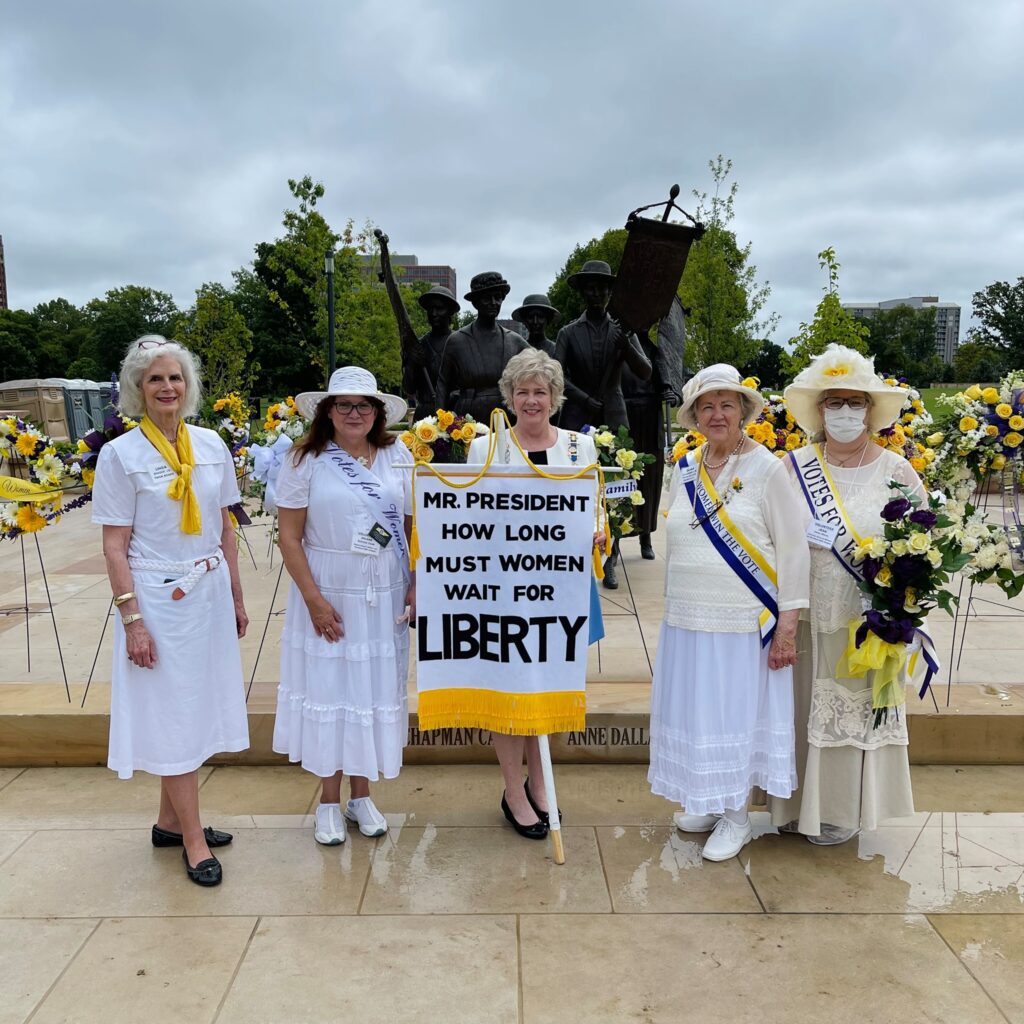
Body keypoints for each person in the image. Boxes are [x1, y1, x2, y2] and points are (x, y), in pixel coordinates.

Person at [92, 335, 250, 887]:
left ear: (189, 387)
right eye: (155, 378)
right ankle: (191, 837)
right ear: (137, 388)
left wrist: (234, 593)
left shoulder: (210, 444)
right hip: (157, 600)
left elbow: (224, 527)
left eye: (175, 378)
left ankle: (167, 821)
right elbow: (114, 545)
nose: (166, 387)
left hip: (205, 593)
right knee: (174, 713)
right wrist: (132, 619)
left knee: (192, 708)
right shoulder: (121, 455)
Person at [648, 364, 809, 861]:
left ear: (743, 411)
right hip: (688, 621)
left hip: (743, 625)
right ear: (694, 415)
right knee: (699, 714)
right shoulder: (684, 467)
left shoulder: (768, 468)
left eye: (727, 404)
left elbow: (793, 551)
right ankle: (710, 799)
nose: (717, 414)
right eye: (707, 406)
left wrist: (787, 628)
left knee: (733, 715)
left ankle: (736, 814)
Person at [770, 344, 920, 843]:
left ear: (871, 410)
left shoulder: (898, 470)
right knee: (798, 706)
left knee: (849, 710)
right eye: (834, 402)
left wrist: (899, 603)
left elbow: (924, 549)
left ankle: (838, 810)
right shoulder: (793, 467)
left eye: (854, 402)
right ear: (818, 410)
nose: (845, 412)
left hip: (864, 620)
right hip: (805, 612)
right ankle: (793, 808)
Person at [273, 367, 415, 846]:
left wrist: (415, 583)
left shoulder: (398, 456)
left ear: (378, 412)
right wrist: (314, 600)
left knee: (370, 692)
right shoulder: (304, 459)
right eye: (344, 405)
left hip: (385, 591)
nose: (354, 413)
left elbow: (411, 528)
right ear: (327, 411)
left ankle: (362, 795)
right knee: (332, 689)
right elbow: (288, 538)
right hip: (328, 589)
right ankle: (328, 802)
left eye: (364, 405)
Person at [467, 348, 603, 840]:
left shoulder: (577, 448)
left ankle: (542, 782)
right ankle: (513, 790)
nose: (531, 400)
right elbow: (470, 521)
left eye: (540, 391)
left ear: (555, 397)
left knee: (550, 686)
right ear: (508, 396)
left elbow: (594, 510)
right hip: (504, 591)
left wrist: (597, 534)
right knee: (507, 691)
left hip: (563, 591)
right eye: (521, 391)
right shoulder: (485, 450)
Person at [554, 260, 651, 432]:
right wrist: (584, 399)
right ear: (583, 292)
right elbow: (555, 376)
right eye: (591, 288)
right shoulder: (567, 333)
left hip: (614, 417)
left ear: (609, 291)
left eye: (602, 288)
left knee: (617, 459)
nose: (596, 293)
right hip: (576, 417)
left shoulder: (624, 331)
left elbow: (645, 372)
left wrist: (627, 347)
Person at [436, 271, 528, 424]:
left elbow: (541, 370)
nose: (493, 302)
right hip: (469, 419)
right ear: (475, 302)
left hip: (507, 418)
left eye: (497, 297)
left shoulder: (515, 341)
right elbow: (443, 384)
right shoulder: (457, 341)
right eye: (486, 298)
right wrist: (439, 423)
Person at [405, 286, 460, 420]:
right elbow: (409, 389)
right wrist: (411, 363)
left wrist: (452, 397)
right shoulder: (419, 345)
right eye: (430, 309)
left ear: (450, 312)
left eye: (440, 308)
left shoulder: (460, 343)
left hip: (452, 414)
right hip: (425, 415)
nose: (434, 313)